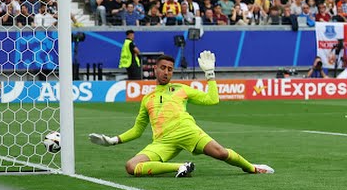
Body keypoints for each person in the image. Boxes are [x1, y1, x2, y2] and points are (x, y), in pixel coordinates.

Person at [88, 53, 274, 177]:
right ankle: (181, 167)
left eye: (170, 69)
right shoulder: (147, 98)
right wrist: (113, 140)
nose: (166, 72)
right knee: (131, 166)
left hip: (187, 131)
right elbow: (137, 130)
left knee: (221, 153)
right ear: (155, 69)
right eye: (163, 68)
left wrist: (210, 75)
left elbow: (212, 99)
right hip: (163, 142)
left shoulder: (181, 89)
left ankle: (252, 168)